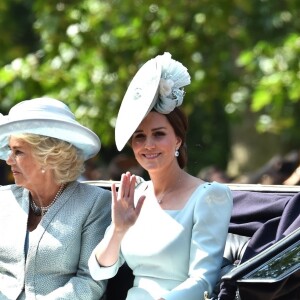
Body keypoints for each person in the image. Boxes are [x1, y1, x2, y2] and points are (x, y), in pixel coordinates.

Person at [89, 52, 233, 300]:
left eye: (158, 134)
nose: (148, 145)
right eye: (140, 137)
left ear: (177, 139)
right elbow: (100, 270)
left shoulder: (210, 197)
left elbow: (203, 280)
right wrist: (119, 230)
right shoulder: (133, 194)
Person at [0, 98, 111, 299]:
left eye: (18, 152)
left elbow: (91, 282)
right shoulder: (3, 199)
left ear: (49, 157)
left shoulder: (95, 203)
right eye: (10, 150)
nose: (8, 160)